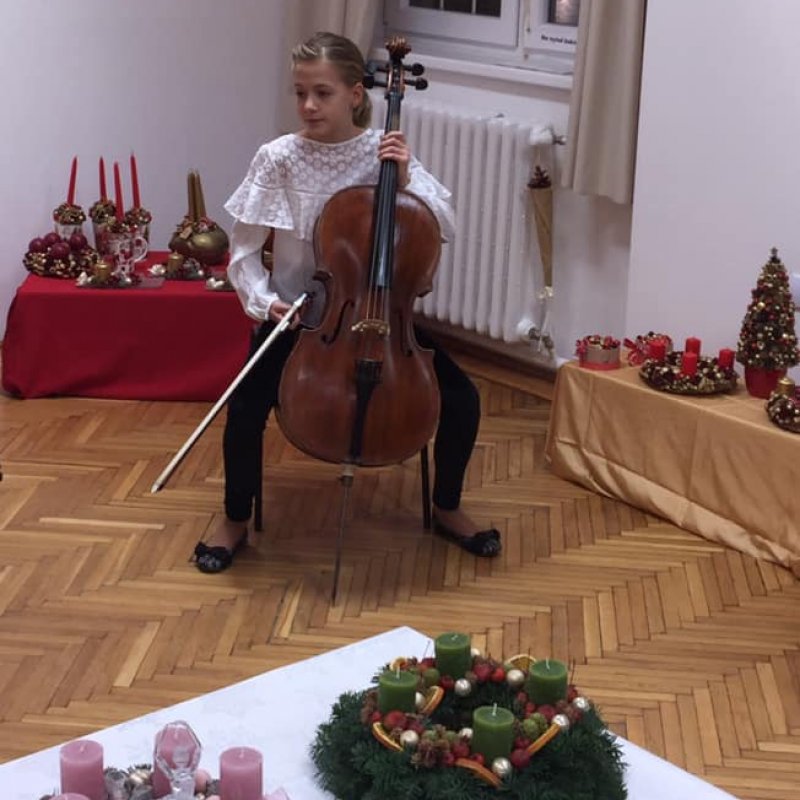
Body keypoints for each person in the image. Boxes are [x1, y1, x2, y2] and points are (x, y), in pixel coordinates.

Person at [193, 31, 502, 573]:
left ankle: (447, 507)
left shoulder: (384, 153)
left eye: (323, 93)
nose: (308, 106)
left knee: (463, 399)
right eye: (300, 93)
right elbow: (243, 252)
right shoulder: (278, 158)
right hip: (299, 318)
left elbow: (445, 224)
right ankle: (235, 518)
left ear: (356, 94)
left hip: (378, 315)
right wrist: (264, 302)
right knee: (244, 408)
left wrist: (406, 178)